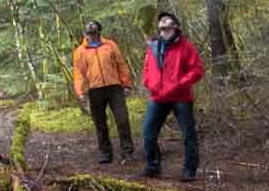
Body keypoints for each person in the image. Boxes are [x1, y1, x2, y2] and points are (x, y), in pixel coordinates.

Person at [141, 10, 205, 181]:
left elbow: (197, 71)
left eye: (167, 19)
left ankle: (190, 170)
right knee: (148, 133)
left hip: (180, 97)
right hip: (158, 97)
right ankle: (153, 166)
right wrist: (148, 81)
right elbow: (147, 69)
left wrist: (178, 83)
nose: (163, 21)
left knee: (188, 135)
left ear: (175, 26)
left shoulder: (186, 46)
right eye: (161, 20)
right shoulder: (153, 46)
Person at [72, 19, 134, 164]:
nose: (90, 35)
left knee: (122, 120)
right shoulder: (80, 51)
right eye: (88, 32)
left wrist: (126, 84)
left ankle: (127, 152)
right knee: (100, 123)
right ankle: (105, 153)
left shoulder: (110, 45)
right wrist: (81, 92)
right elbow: (79, 73)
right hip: (94, 90)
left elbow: (121, 64)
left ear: (99, 31)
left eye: (93, 31)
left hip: (114, 88)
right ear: (85, 34)